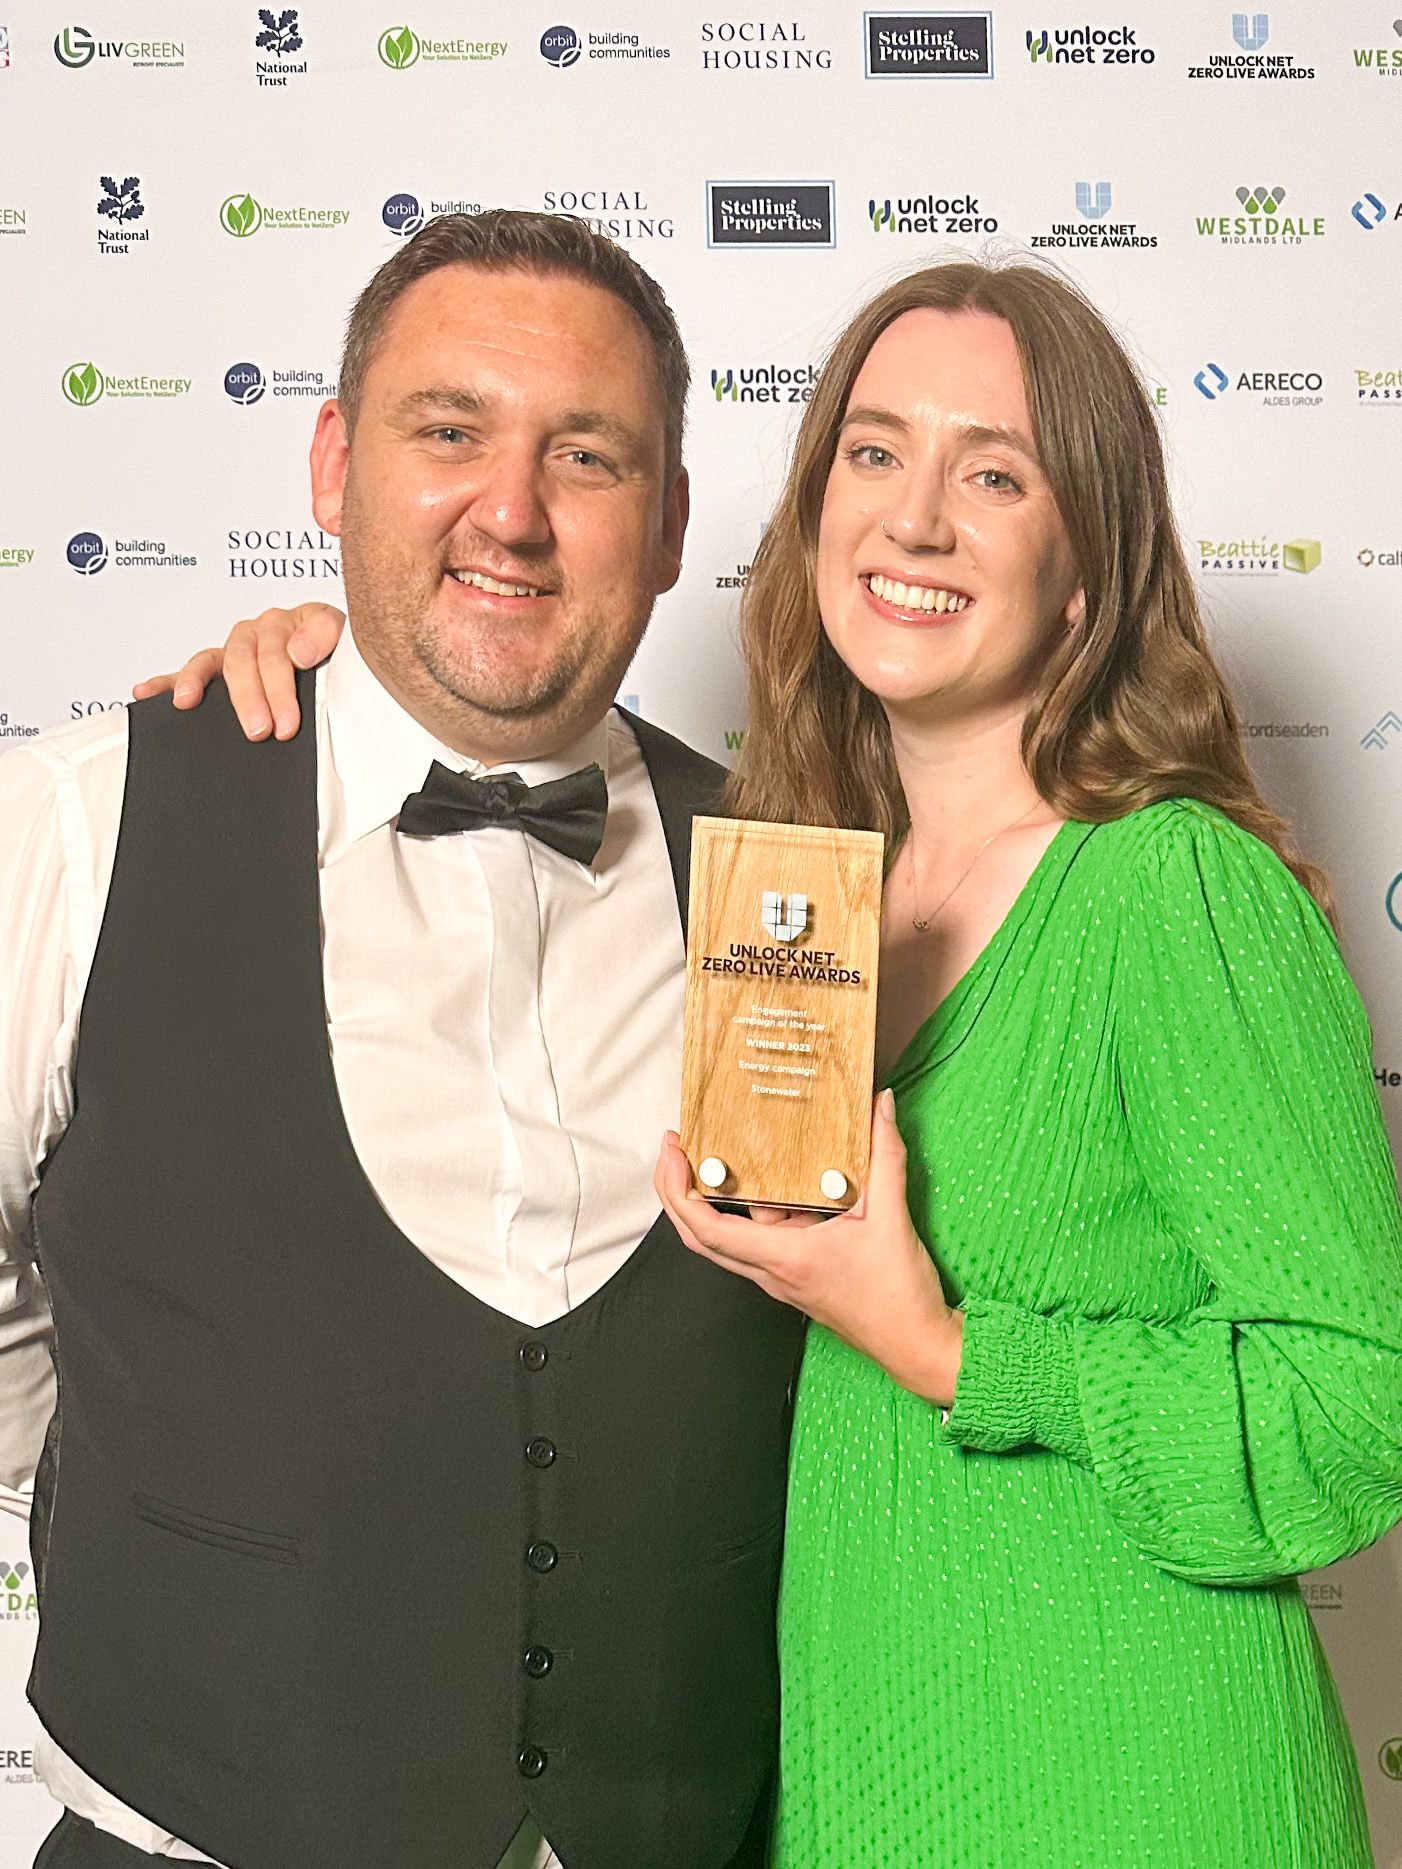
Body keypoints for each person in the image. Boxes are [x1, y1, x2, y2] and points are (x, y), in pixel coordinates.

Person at [170, 259, 1402, 1867]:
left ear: (1086, 563)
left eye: (997, 472)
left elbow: (1360, 1407)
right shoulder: (775, 885)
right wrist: (339, 669)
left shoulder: (1171, 888)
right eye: (875, 453)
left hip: (1129, 1780)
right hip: (853, 1783)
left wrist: (949, 1340)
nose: (917, 518)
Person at [0, 211, 804, 1869]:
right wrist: (134, 1459)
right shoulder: (87, 820)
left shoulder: (782, 880)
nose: (508, 510)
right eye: (450, 432)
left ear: (664, 528)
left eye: (584, 457)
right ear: (331, 463)